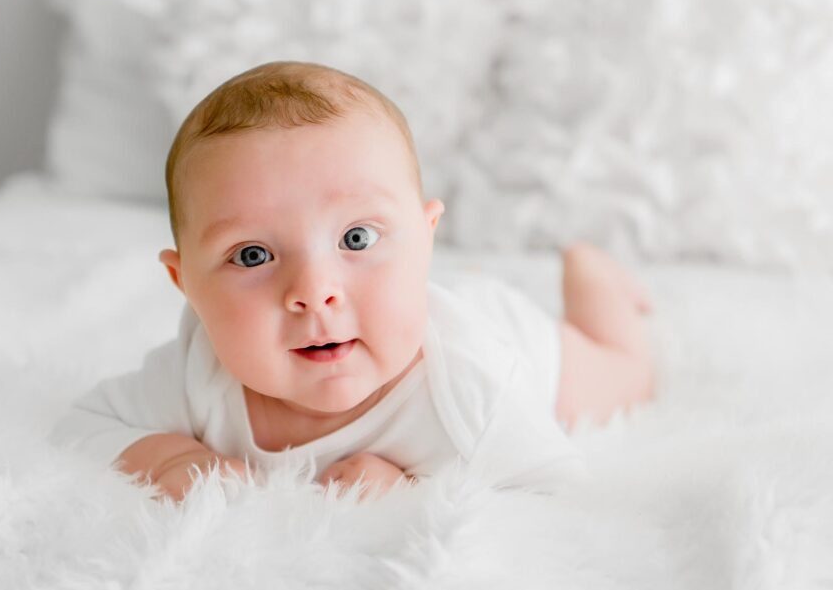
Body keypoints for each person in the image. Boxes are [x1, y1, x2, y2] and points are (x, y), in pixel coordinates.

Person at [51, 61, 654, 503]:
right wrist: (173, 457)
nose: (314, 291)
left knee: (624, 375)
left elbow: (558, 502)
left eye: (357, 239)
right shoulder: (196, 372)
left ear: (425, 238)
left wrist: (411, 493)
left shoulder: (473, 392)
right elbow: (81, 428)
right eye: (254, 254)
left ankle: (593, 276)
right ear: (186, 284)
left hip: (516, 337)